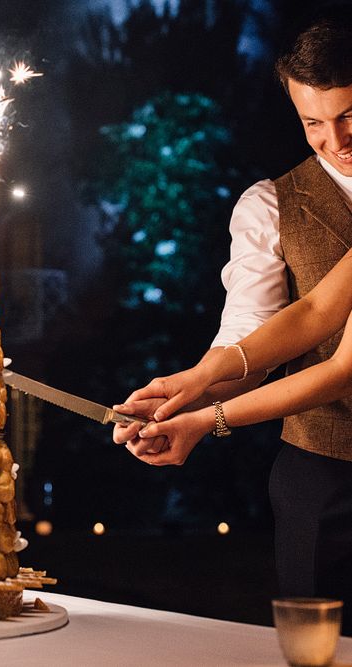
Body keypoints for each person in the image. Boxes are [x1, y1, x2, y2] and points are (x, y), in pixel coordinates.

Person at [113, 8, 352, 632]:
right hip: (325, 475)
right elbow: (312, 313)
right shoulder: (271, 204)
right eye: (313, 123)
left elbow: (343, 367)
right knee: (318, 649)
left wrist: (205, 418)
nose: (337, 140)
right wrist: (187, 388)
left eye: (351, 115)